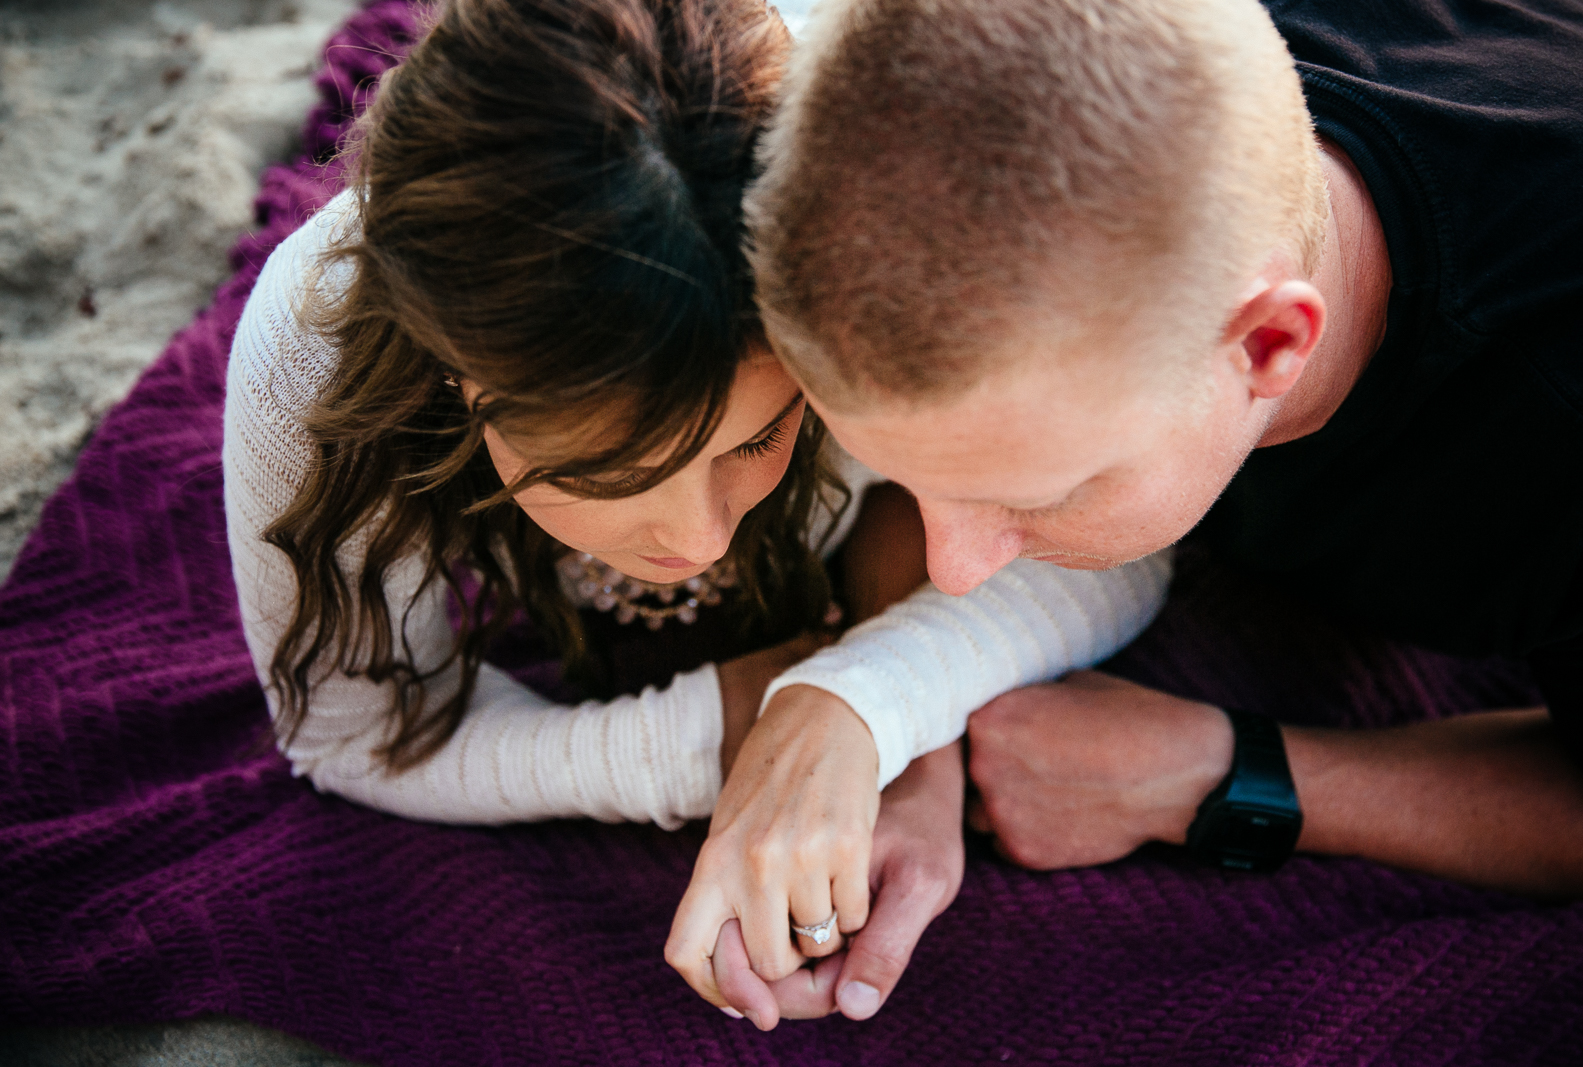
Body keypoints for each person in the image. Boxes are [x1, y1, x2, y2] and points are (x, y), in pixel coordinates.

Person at [223, 0, 1171, 1028]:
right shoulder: (317, 351)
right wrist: (710, 727)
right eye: (597, 469)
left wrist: (862, 707)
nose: (697, 537)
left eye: (758, 439)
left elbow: (1123, 541)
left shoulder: (891, 252)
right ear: (456, 373)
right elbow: (348, 731)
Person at [742, 0, 1583, 916]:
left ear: (1270, 344)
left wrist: (1220, 770)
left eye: (1042, 493)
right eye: (912, 478)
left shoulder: (1564, 425)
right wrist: (910, 739)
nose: (951, 572)